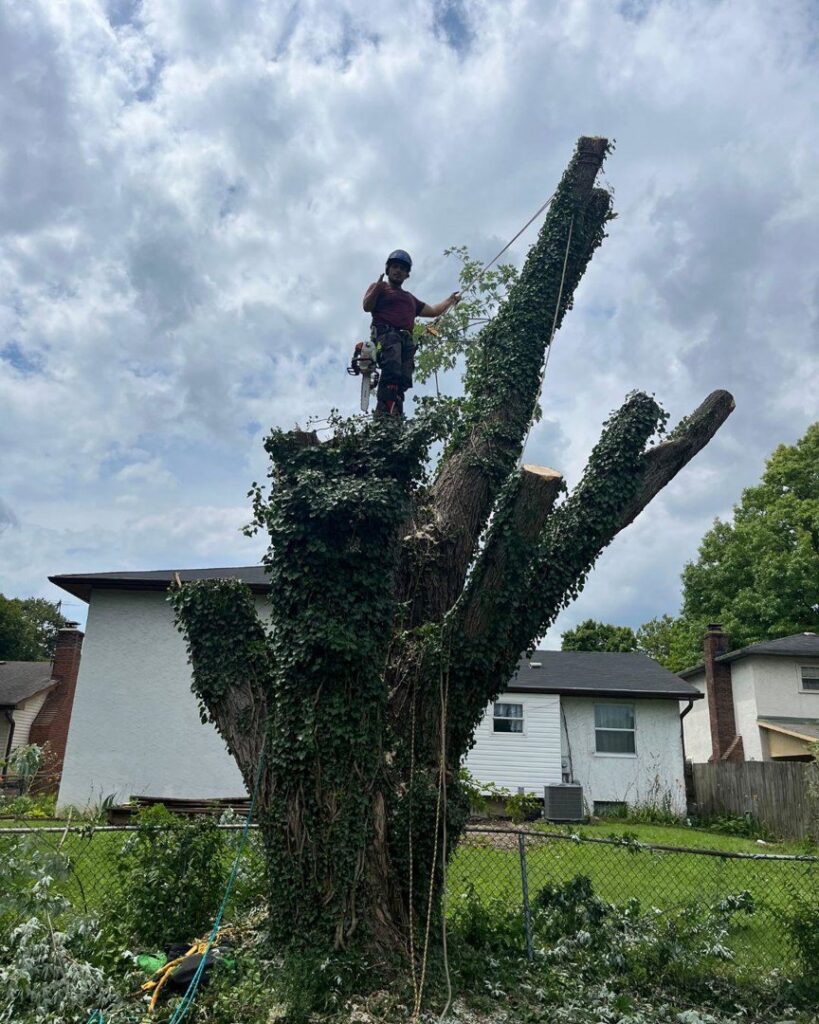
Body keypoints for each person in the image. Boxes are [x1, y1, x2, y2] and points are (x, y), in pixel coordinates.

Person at [362, 249, 460, 416]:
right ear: (388, 269)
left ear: (407, 275)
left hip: (405, 341)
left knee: (404, 378)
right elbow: (367, 306)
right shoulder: (381, 287)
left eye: (403, 269)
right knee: (392, 368)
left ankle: (396, 408)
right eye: (395, 267)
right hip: (386, 336)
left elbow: (434, 311)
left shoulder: (410, 299)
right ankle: (384, 409)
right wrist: (377, 288)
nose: (398, 271)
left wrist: (450, 300)